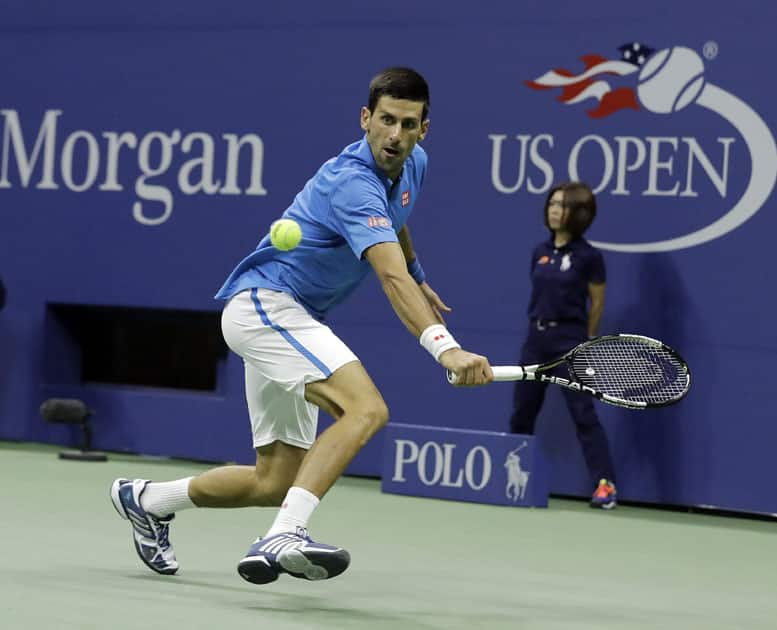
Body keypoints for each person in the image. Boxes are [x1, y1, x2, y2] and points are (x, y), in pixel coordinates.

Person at [110, 67, 493, 583]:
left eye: (407, 124)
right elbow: (388, 277)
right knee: (365, 409)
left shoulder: (413, 163)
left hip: (290, 317)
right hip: (267, 307)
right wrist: (446, 349)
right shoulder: (351, 181)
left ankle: (149, 500)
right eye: (385, 121)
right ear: (366, 118)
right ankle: (284, 533)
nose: (394, 136)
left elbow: (395, 226)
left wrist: (418, 274)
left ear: (424, 128)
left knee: (275, 479)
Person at [508, 182, 618, 509]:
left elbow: (596, 304)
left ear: (579, 214)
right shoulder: (538, 251)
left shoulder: (589, 257)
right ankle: (511, 480)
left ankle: (605, 486)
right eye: (552, 203)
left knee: (584, 415)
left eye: (563, 205)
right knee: (521, 413)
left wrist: (587, 343)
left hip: (570, 342)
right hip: (535, 341)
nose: (555, 210)